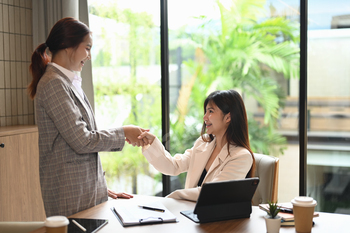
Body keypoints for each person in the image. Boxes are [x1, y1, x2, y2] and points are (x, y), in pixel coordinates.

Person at [28, 17, 148, 217]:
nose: (90, 56)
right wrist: (124, 132)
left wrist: (100, 188)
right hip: (70, 196)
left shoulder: (67, 81)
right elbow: (82, 140)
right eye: (87, 48)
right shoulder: (53, 84)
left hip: (84, 193)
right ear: (69, 46)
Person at [137, 90, 256, 202]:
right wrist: (152, 144)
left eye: (211, 111)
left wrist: (175, 196)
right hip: (189, 213)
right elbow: (173, 166)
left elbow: (212, 193)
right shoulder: (203, 144)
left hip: (215, 221)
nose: (205, 118)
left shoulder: (241, 157)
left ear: (228, 117)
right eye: (206, 111)